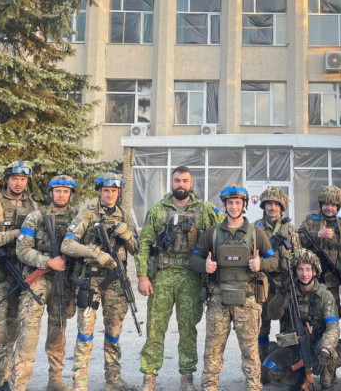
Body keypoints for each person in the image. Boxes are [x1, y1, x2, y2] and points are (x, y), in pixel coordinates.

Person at [135, 166, 222, 391]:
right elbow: (144, 244)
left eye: (184, 180)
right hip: (162, 276)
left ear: (191, 183)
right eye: (176, 180)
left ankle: (187, 378)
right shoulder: (158, 209)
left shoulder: (204, 209)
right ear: (171, 183)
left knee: (188, 328)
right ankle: (149, 376)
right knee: (155, 327)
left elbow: (221, 234)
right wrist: (142, 276)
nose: (180, 184)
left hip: (191, 277)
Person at [189, 185, 279, 391]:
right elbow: (193, 257)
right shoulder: (212, 234)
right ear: (225, 205)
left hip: (247, 300)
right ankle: (209, 387)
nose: (234, 206)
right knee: (212, 350)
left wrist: (261, 265)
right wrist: (204, 265)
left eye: (238, 202)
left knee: (250, 351)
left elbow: (275, 260)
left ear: (244, 205)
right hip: (218, 299)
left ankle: (253, 386)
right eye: (230, 203)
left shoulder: (257, 234)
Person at [61, 172, 138, 391]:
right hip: (91, 281)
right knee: (85, 334)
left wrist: (126, 235)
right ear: (100, 192)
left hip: (116, 282)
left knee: (114, 333)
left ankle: (113, 380)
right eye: (106, 190)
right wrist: (94, 252)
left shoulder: (125, 215)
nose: (110, 195)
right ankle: (80, 384)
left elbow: (136, 249)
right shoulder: (87, 214)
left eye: (114, 191)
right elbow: (67, 244)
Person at [10, 175, 80, 391]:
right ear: (51, 193)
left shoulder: (78, 218)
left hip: (64, 281)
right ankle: (19, 383)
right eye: (57, 191)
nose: (61, 195)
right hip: (38, 279)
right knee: (28, 332)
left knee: (58, 330)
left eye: (65, 191)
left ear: (71, 194)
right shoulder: (36, 216)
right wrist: (48, 261)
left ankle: (55, 379)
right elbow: (22, 250)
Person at [0, 161, 39, 391]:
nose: (19, 183)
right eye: (15, 179)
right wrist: (16, 234)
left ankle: (6, 378)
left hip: (22, 272)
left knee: (13, 327)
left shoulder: (32, 205)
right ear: (7, 179)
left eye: (23, 179)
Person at [261, 248, 340, 391]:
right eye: (300, 269)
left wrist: (325, 349)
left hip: (316, 345)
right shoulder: (288, 292)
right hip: (292, 347)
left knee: (330, 354)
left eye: (308, 269)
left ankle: (327, 385)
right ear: (295, 271)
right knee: (270, 369)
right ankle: (297, 378)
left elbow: (333, 326)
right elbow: (273, 315)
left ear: (315, 272)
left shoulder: (325, 295)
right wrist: (282, 294)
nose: (304, 274)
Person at [254, 186, 299, 361]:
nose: (272, 208)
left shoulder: (290, 230)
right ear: (264, 206)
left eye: (276, 204)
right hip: (263, 283)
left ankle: (284, 362)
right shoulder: (255, 229)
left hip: (286, 284)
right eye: (269, 204)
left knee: (287, 327)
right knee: (261, 327)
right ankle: (260, 363)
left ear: (282, 207)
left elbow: (298, 256)